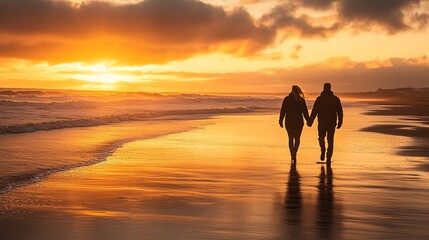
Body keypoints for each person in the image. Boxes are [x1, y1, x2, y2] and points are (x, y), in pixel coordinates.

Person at [308, 83, 343, 163]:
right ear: (330, 88)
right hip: (331, 123)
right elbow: (340, 112)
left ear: (323, 88)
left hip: (322, 122)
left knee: (321, 138)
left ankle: (323, 149)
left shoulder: (319, 99)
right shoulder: (335, 99)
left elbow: (314, 111)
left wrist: (310, 121)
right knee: (330, 140)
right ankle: (328, 157)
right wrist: (340, 122)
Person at [279, 85, 310, 162]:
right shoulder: (301, 100)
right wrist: (308, 121)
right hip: (299, 122)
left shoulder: (286, 99)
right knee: (297, 138)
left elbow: (283, 111)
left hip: (289, 122)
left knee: (290, 138)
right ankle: (295, 152)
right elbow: (305, 112)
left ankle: (291, 153)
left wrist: (280, 120)